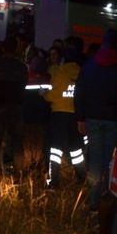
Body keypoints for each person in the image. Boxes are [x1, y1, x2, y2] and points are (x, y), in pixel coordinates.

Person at [74, 31, 117, 210]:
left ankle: (93, 202)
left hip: (92, 119)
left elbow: (79, 93)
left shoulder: (89, 66)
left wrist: (80, 118)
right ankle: (108, 200)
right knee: (109, 161)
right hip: (115, 121)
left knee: (95, 161)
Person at [0, 37, 28, 180]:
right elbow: (24, 83)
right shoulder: (21, 66)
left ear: (3, 48)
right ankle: (19, 175)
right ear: (16, 49)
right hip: (17, 107)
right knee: (17, 143)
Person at [44, 45, 86, 188]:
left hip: (59, 114)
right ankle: (81, 177)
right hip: (75, 115)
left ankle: (54, 181)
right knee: (76, 149)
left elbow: (52, 95)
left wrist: (44, 95)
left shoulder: (60, 72)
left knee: (56, 149)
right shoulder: (81, 72)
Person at [22, 52, 50, 173]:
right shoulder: (48, 78)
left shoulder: (26, 78)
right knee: (39, 142)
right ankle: (38, 165)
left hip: (27, 116)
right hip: (42, 117)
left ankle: (28, 165)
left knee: (27, 142)